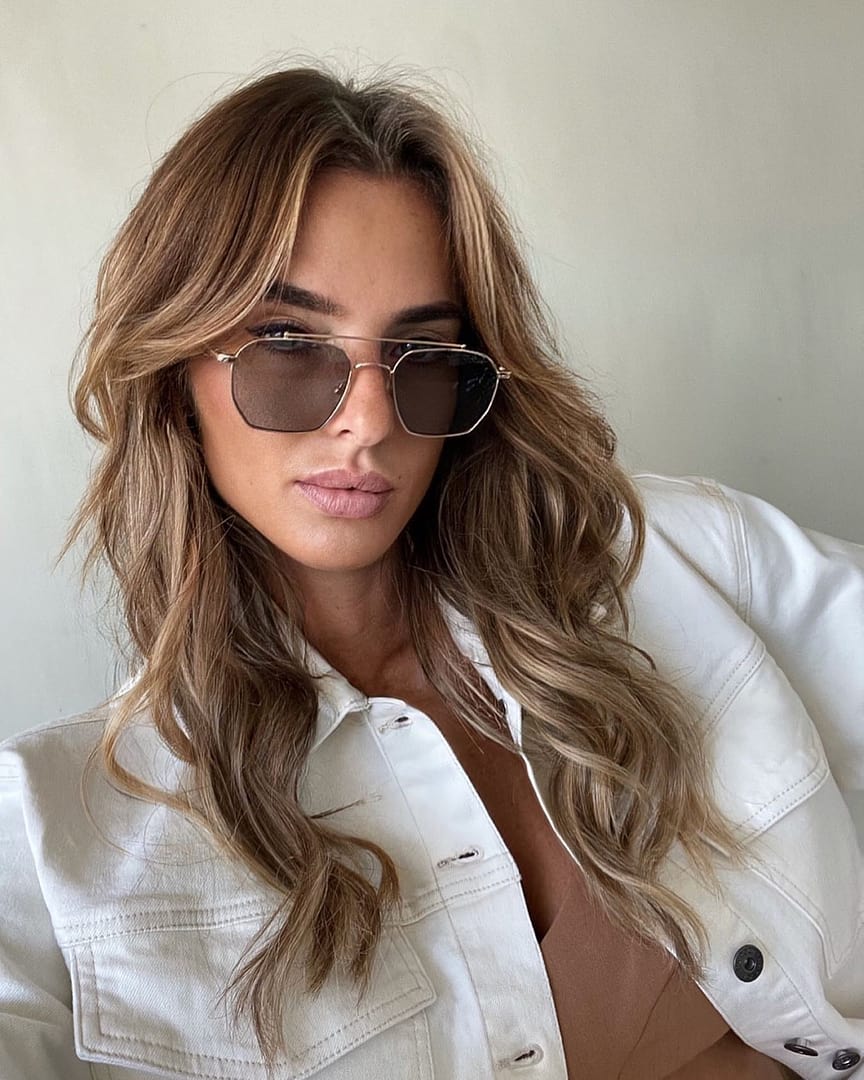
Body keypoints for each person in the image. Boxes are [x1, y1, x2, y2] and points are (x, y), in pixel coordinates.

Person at [0, 65, 862, 1080]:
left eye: (420, 352)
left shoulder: (669, 561)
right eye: (289, 346)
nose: (367, 421)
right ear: (173, 366)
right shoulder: (55, 837)